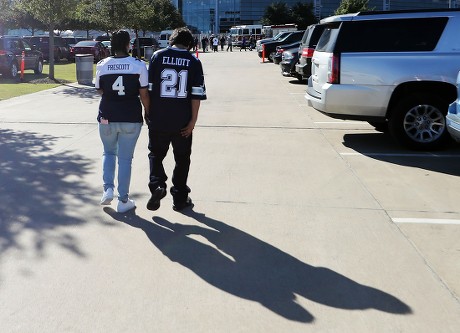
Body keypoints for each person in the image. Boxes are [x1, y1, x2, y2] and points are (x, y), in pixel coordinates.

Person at [146, 27, 207, 211]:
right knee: (182, 159)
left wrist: (148, 112)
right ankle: (180, 198)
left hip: (159, 118)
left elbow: (148, 89)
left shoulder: (157, 56)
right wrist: (192, 122)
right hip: (182, 120)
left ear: (171, 40)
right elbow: (196, 95)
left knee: (156, 155)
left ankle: (157, 185)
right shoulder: (194, 61)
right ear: (189, 44)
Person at [95, 30, 150, 213]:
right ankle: (123, 199)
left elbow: (100, 90)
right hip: (130, 117)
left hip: (107, 116)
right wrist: (148, 113)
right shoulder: (138, 65)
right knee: (125, 159)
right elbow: (143, 94)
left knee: (108, 153)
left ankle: (107, 189)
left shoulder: (102, 64)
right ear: (128, 45)